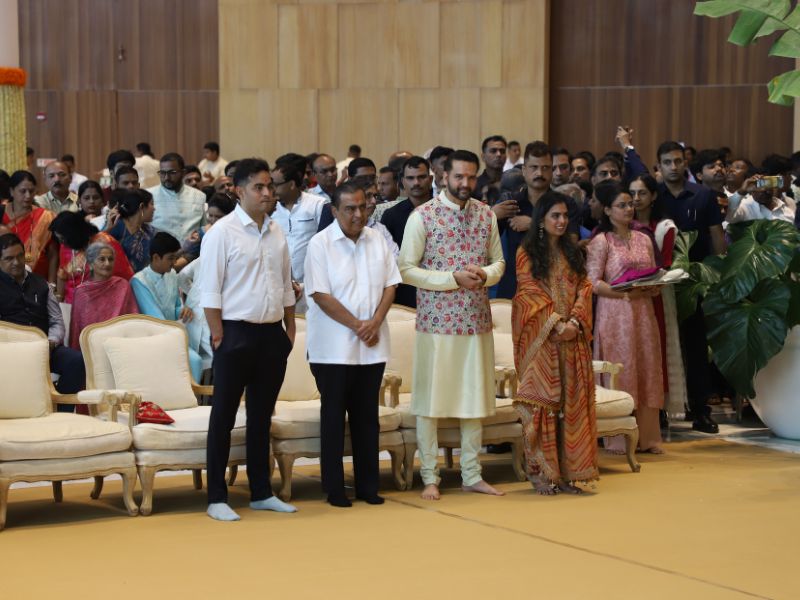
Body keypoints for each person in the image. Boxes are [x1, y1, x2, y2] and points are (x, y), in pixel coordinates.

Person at [398, 149, 506, 501]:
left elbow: (499, 263)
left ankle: (471, 474)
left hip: (476, 323)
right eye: (459, 176)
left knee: (474, 399)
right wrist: (452, 279)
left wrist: (485, 274)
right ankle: (430, 476)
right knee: (430, 402)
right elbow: (406, 269)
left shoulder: (486, 214)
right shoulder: (422, 216)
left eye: (471, 177)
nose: (465, 183)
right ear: (443, 176)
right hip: (436, 325)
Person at [197, 158, 297, 521]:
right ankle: (216, 497)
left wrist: (290, 329)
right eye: (259, 187)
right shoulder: (221, 233)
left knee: (261, 417)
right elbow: (210, 291)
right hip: (234, 332)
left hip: (272, 334)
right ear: (239, 191)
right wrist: (218, 334)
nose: (267, 193)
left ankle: (261, 492)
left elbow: (286, 284)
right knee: (223, 416)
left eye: (270, 186)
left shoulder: (277, 230)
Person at [304, 181, 401, 507]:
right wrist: (359, 325)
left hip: (372, 344)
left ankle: (368, 486)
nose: (358, 214)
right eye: (349, 209)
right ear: (334, 211)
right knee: (333, 417)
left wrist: (375, 321)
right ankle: (334, 488)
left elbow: (391, 285)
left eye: (362, 207)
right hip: (332, 347)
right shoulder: (320, 244)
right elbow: (320, 295)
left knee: (367, 417)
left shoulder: (378, 239)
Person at [511, 191, 598, 494]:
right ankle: (541, 473)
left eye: (565, 216)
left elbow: (585, 287)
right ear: (541, 220)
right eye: (555, 216)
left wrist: (575, 321)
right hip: (543, 339)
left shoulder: (572, 251)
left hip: (572, 339)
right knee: (543, 405)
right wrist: (556, 323)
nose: (561, 221)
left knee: (571, 405)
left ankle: (568, 474)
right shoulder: (527, 253)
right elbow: (528, 292)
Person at [586, 181, 664, 453]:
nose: (629, 209)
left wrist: (654, 285)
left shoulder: (644, 238)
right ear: (607, 210)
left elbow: (653, 274)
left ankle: (649, 438)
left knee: (647, 369)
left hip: (643, 312)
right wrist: (622, 292)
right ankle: (619, 439)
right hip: (615, 313)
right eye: (622, 205)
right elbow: (592, 282)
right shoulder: (601, 241)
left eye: (630, 204)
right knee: (623, 369)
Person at [657, 140, 724, 433]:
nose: (673, 167)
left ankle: (701, 410)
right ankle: (659, 410)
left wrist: (718, 275)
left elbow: (716, 236)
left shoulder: (703, 195)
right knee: (661, 347)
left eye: (677, 161)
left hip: (694, 282)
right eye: (667, 162)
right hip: (659, 282)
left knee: (696, 347)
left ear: (685, 163)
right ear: (659, 166)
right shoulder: (654, 195)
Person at [0, 233, 85, 397]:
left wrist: (51, 342)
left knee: (76, 361)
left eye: (20, 256)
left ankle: (60, 408)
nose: (16, 262)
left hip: (44, 349)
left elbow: (56, 321)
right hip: (9, 352)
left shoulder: (41, 284)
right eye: (9, 258)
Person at [631, 175, 687, 419]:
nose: (636, 198)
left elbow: (663, 262)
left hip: (656, 292)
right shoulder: (623, 223)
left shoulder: (665, 227)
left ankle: (657, 407)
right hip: (627, 294)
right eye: (632, 193)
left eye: (642, 193)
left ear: (653, 196)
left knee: (658, 346)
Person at [494, 141, 580, 299]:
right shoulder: (511, 203)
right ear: (524, 170)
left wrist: (534, 224)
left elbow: (571, 244)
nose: (539, 173)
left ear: (551, 171)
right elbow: (484, 241)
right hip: (514, 287)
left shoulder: (566, 204)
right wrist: (491, 215)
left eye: (545, 168)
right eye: (534, 167)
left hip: (554, 287)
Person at [130, 232, 202, 382]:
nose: (174, 262)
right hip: (152, 338)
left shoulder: (172, 275)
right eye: (170, 258)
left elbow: (176, 307)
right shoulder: (139, 281)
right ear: (156, 257)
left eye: (175, 257)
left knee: (197, 358)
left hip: (172, 333)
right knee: (194, 361)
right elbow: (155, 318)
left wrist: (184, 311)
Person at [178, 193, 237, 364]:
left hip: (220, 308)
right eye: (210, 215)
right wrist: (198, 292)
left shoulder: (232, 238)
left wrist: (197, 293)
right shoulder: (204, 235)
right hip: (202, 311)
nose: (213, 220)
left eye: (218, 216)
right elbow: (182, 276)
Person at [270, 159, 327, 313]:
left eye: (276, 184)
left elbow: (325, 242)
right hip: (281, 285)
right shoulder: (270, 209)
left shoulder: (317, 204)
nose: (272, 189)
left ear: (291, 184)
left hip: (313, 284)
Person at [381, 156, 433, 307]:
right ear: (402, 182)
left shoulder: (446, 212)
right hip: (404, 292)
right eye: (410, 178)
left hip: (440, 290)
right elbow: (386, 259)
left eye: (421, 177)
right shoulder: (391, 215)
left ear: (430, 179)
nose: (416, 183)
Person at [50, 210, 133, 304]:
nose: (61, 243)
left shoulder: (105, 242)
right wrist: (59, 302)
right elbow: (62, 275)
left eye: (63, 239)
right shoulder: (65, 247)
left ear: (74, 234)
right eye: (59, 239)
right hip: (71, 304)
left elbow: (123, 275)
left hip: (103, 302)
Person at [68, 242, 139, 348]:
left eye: (110, 259)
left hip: (121, 344)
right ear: (91, 264)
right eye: (102, 259)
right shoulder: (82, 292)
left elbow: (133, 319)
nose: (107, 263)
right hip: (92, 347)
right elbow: (77, 329)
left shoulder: (122, 285)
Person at [2, 171, 58, 281]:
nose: (28, 196)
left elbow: (53, 254)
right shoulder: (1, 213)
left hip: (38, 281)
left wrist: (52, 284)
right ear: (11, 191)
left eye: (31, 191)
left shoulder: (46, 217)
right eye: (23, 191)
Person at [148, 152, 207, 243]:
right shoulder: (149, 195)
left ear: (183, 173)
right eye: (162, 173)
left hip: (193, 250)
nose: (166, 177)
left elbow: (204, 228)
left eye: (172, 173)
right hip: (162, 250)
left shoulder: (199, 196)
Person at [108, 189, 157, 273]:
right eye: (151, 204)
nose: (154, 208)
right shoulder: (116, 226)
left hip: (144, 278)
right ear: (141, 207)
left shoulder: (150, 231)